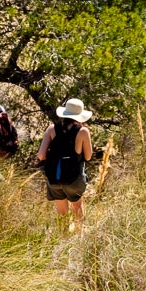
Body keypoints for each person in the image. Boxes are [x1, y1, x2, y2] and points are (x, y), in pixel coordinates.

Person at [37, 98, 94, 233]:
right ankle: (79, 239)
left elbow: (40, 155)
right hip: (74, 178)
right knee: (77, 208)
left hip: (54, 178)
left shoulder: (52, 129)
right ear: (79, 116)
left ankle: (63, 240)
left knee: (61, 212)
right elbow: (88, 156)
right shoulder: (82, 131)